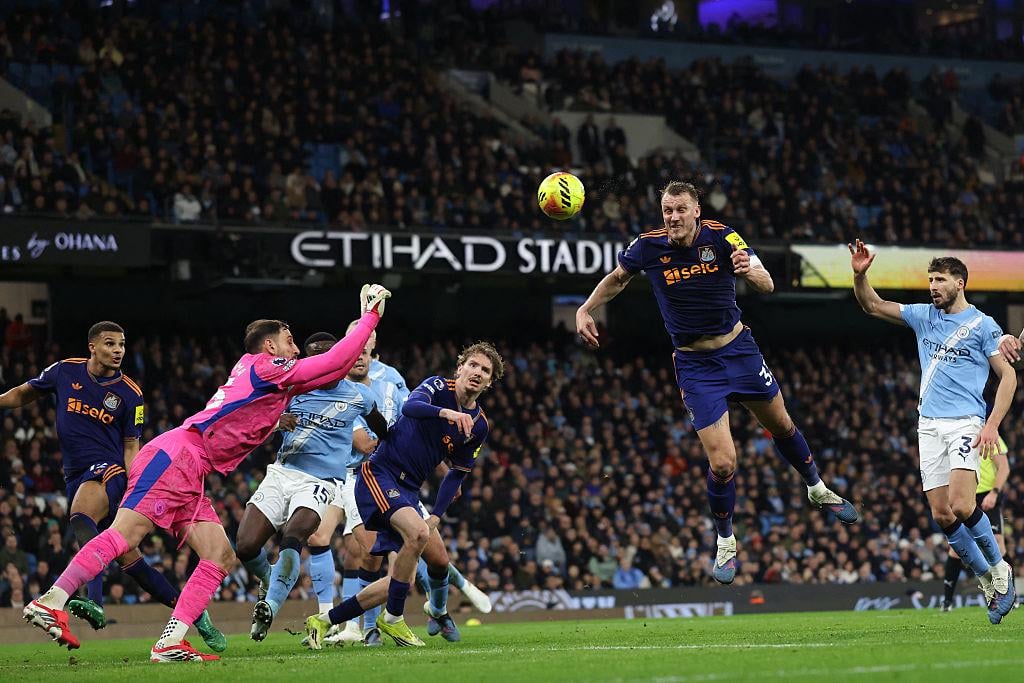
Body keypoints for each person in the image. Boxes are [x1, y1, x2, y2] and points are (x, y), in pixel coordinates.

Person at [22, 284, 391, 661]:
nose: (295, 349)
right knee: (124, 533)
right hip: (178, 453)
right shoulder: (266, 367)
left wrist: (360, 335)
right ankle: (52, 600)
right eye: (290, 340)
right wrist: (369, 317)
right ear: (270, 347)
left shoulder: (263, 373)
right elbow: (330, 363)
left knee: (220, 554)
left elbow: (333, 370)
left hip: (193, 468)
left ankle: (170, 641)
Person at [575, 181, 858, 585]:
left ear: (696, 211)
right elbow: (619, 278)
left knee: (782, 425)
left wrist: (750, 272)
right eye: (667, 210)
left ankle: (817, 488)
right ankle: (725, 540)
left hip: (739, 350)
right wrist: (587, 307)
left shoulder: (723, 236)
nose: (672, 217)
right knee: (723, 462)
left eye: (680, 209)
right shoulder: (647, 246)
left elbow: (766, 281)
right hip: (695, 366)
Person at [0, 321, 223, 650]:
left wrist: (137, 489)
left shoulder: (131, 395)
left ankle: (93, 601)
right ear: (92, 347)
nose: (118, 350)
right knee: (132, 564)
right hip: (74, 473)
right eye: (110, 344)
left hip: (110, 470)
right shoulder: (65, 372)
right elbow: (26, 392)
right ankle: (195, 614)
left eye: (121, 345)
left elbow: (131, 446)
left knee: (80, 516)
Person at [849, 241, 1016, 624]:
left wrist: (991, 425)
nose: (933, 286)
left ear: (960, 283)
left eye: (940, 279)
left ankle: (1000, 569)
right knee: (942, 515)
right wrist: (860, 275)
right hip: (928, 425)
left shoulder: (982, 325)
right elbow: (872, 305)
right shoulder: (924, 316)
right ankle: (987, 580)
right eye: (930, 280)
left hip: (965, 423)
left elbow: (1007, 377)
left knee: (961, 503)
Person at [305, 341, 503, 649]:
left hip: (409, 489)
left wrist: (437, 515)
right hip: (379, 472)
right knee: (416, 535)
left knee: (415, 570)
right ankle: (393, 620)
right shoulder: (438, 386)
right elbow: (411, 407)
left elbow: (457, 474)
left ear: (490, 382)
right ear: (460, 367)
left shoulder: (478, 426)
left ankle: (325, 620)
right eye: (473, 365)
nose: (477, 373)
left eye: (485, 371)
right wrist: (447, 413)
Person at [235, 331, 387, 642]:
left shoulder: (359, 395)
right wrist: (278, 422)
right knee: (246, 546)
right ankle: (269, 578)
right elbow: (253, 422)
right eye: (315, 356)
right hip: (281, 473)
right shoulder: (291, 389)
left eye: (327, 355)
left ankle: (270, 606)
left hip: (320, 481)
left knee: (295, 536)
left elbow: (383, 429)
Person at [942, 431, 1009, 611]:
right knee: (956, 549)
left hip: (987, 495)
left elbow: (1004, 467)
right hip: (966, 495)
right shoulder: (956, 433)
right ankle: (947, 602)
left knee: (998, 543)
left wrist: (994, 493)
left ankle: (1010, 595)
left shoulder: (989, 434)